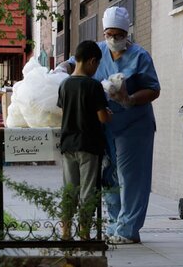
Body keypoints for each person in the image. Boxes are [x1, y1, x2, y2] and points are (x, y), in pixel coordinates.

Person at [59, 6, 161, 244]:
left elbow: (154, 89)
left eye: (118, 35)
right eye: (109, 34)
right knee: (109, 176)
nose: (113, 39)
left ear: (127, 33)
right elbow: (74, 64)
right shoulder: (98, 51)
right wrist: (61, 68)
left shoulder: (140, 56)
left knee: (131, 176)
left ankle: (128, 229)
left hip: (134, 124)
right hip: (105, 127)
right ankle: (115, 224)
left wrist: (129, 99)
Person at [57, 40, 112, 240]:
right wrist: (108, 113)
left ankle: (65, 232)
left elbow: (64, 112)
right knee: (88, 190)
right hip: (89, 144)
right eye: (97, 64)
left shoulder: (64, 85)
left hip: (68, 144)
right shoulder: (94, 85)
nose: (96, 68)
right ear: (91, 61)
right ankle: (85, 232)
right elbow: (102, 117)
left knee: (70, 189)